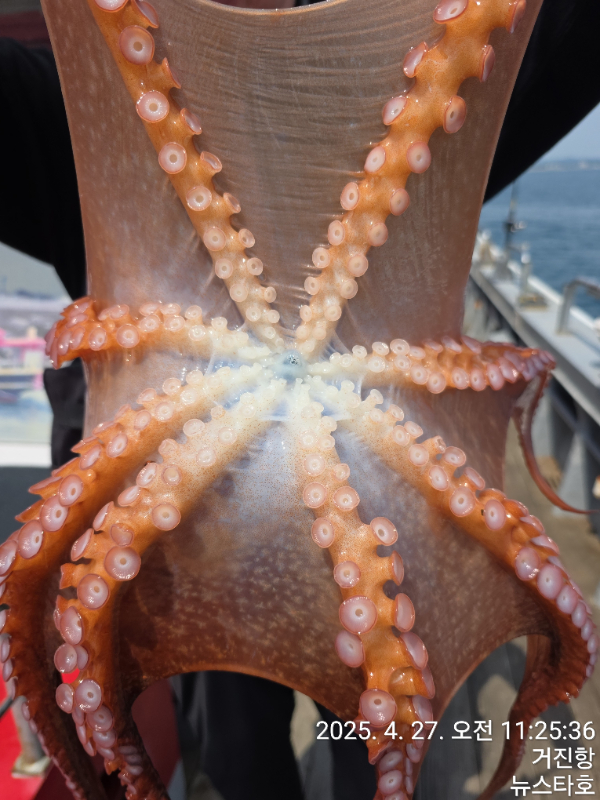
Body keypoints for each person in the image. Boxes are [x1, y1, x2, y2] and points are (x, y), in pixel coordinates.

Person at [1, 0, 599, 797]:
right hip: (192, 536)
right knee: (251, 732)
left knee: (315, 726)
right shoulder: (74, 99)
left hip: (336, 502)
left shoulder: (418, 84)